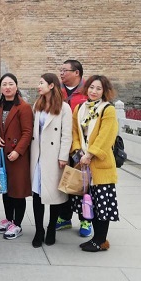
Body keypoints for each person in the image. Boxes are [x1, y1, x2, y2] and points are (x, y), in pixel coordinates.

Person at [71, 75, 119, 252]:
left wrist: (90, 154)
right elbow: (75, 133)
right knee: (88, 203)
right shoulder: (79, 108)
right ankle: (95, 239)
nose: (94, 91)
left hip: (100, 165)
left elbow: (106, 136)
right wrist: (78, 151)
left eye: (98, 88)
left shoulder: (108, 109)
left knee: (102, 204)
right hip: (83, 163)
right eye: (91, 87)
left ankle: (100, 240)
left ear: (104, 91)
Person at [30, 73, 72, 248]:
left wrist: (63, 156)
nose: (38, 86)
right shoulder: (37, 105)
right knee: (37, 193)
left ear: (52, 85)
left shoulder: (64, 108)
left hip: (54, 157)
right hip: (37, 155)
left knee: (54, 194)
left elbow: (67, 134)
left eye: (42, 83)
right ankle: (39, 230)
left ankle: (52, 228)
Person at [0, 73, 34, 240]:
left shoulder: (24, 107)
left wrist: (18, 151)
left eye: (11, 84)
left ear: (16, 86)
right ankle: (9, 219)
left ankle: (17, 224)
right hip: (3, 155)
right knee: (5, 189)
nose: (7, 87)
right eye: (4, 84)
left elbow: (27, 132)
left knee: (17, 191)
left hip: (17, 156)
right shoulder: (0, 105)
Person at [56, 60, 91, 237]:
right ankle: (64, 217)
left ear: (76, 72)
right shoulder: (57, 91)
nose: (61, 73)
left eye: (65, 70)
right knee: (64, 182)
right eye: (61, 70)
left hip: (82, 148)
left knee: (84, 184)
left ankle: (86, 219)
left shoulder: (88, 91)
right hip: (61, 146)